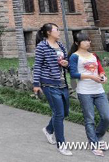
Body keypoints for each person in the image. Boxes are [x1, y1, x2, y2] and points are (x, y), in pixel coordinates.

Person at [69, 32, 109, 157]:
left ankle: (98, 137)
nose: (88, 42)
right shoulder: (74, 56)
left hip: (99, 91)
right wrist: (90, 77)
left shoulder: (93, 55)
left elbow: (100, 70)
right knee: (90, 120)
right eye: (85, 41)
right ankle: (94, 144)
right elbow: (73, 74)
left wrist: (103, 76)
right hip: (85, 91)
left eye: (89, 40)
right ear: (77, 43)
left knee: (107, 117)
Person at [33, 23, 72, 156]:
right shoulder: (42, 46)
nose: (59, 31)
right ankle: (61, 145)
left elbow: (66, 61)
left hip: (62, 83)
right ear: (49, 32)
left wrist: (66, 64)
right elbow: (37, 66)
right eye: (57, 29)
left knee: (65, 112)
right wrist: (36, 84)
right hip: (49, 84)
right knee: (59, 113)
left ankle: (49, 129)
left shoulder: (61, 45)